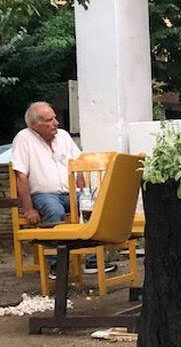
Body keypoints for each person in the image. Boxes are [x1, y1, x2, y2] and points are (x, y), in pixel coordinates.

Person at [11, 102, 117, 279]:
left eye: (54, 118)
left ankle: (92, 260)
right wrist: (28, 209)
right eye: (49, 120)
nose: (56, 123)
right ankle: (56, 265)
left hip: (70, 193)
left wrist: (84, 194)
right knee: (54, 210)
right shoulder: (24, 138)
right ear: (35, 124)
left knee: (93, 207)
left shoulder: (64, 136)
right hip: (43, 194)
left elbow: (79, 167)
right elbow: (20, 175)